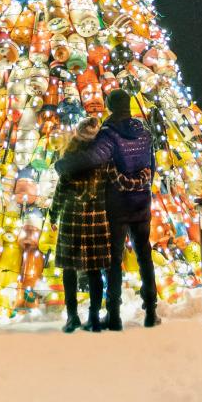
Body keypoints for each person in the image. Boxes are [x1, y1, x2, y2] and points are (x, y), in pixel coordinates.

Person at [56, 89, 160, 330]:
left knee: (113, 260)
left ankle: (113, 315)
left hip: (117, 206)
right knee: (145, 256)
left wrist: (64, 164)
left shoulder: (109, 135)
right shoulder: (144, 134)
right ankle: (151, 310)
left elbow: (93, 157)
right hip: (142, 204)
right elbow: (151, 168)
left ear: (111, 107)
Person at [49, 117, 111, 333]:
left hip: (71, 216)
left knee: (70, 269)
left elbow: (61, 189)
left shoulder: (70, 157)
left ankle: (72, 316)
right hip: (96, 216)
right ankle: (94, 315)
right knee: (94, 269)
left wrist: (53, 213)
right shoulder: (104, 156)